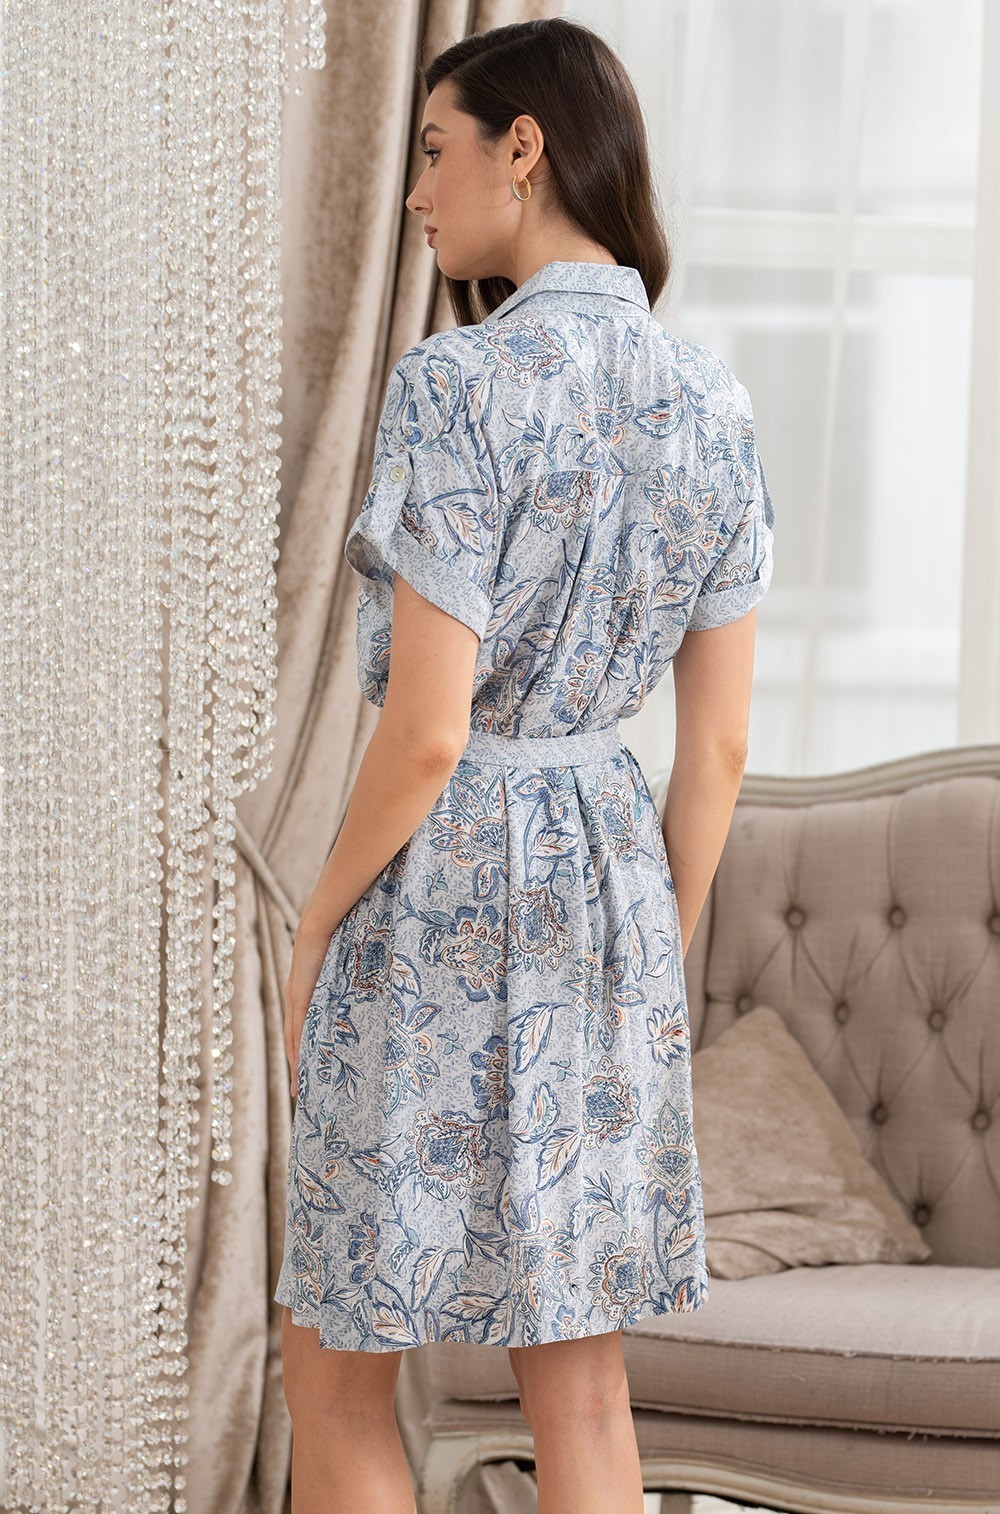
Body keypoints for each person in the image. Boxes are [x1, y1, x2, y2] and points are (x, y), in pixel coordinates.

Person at [275, 17, 774, 1514]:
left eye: (436, 152)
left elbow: (430, 731)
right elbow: (720, 746)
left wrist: (314, 924)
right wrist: (650, 944)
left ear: (525, 147)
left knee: (340, 1370)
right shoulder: (713, 405)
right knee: (583, 1385)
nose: (417, 192)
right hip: (608, 891)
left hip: (437, 891)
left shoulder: (457, 387)